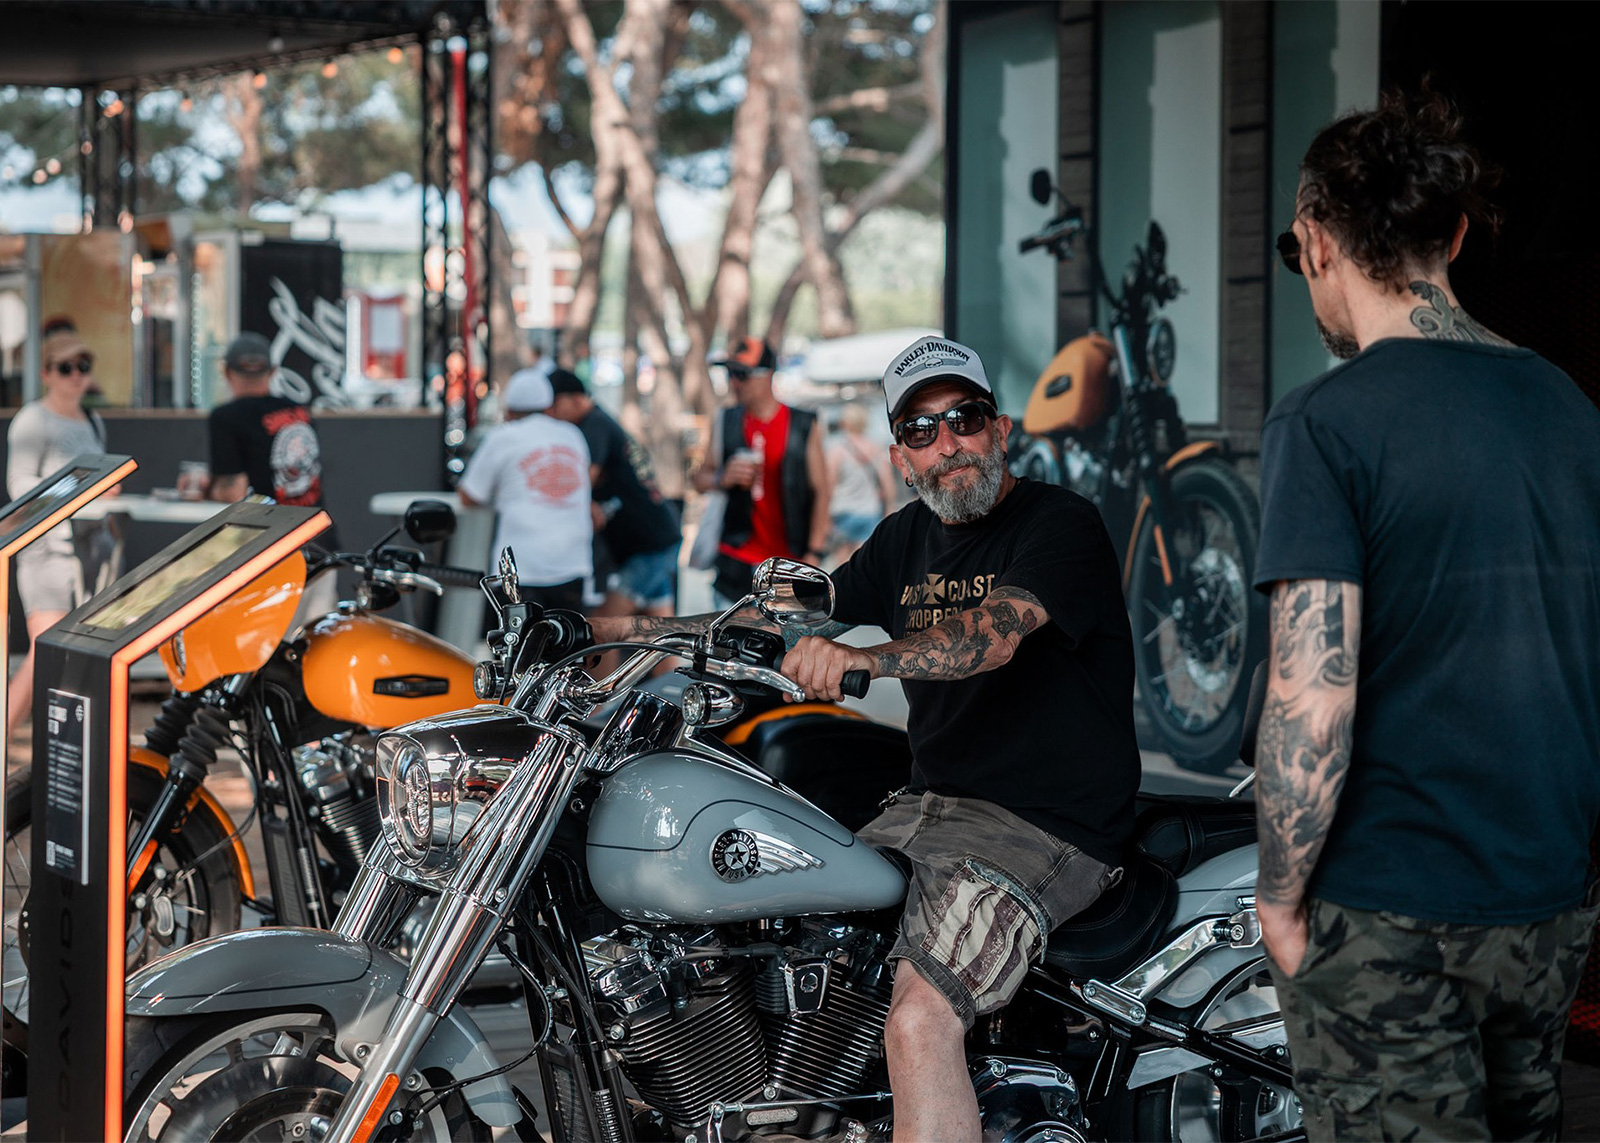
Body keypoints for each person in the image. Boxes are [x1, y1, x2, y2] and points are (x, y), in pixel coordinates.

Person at [592, 335, 1139, 1141]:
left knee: (919, 1019)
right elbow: (768, 623)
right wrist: (615, 630)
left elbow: (992, 634)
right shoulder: (903, 537)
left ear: (1002, 430)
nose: (946, 443)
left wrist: (865, 658)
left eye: (964, 418)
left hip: (1043, 825)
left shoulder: (1062, 522)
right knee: (799, 951)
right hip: (926, 808)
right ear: (900, 457)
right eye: (921, 430)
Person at [1254, 90, 1600, 1142]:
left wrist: (1279, 897)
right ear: (1450, 235)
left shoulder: (1323, 422)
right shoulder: (1568, 407)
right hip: (1546, 896)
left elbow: (1311, 695)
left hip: (1389, 903)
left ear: (1315, 241)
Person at [5, 319, 117, 745]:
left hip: (91, 550)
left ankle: (66, 749)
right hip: (47, 551)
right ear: (46, 373)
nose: (76, 375)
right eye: (66, 367)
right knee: (45, 652)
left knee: (79, 658)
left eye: (82, 365)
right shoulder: (33, 420)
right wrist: (77, 489)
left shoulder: (92, 419)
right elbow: (20, 488)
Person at [693, 336, 831, 606]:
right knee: (728, 646)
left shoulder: (802, 423)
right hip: (735, 562)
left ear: (767, 375)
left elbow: (821, 490)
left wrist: (814, 553)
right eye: (729, 374)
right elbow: (699, 479)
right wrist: (723, 478)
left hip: (786, 565)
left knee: (785, 647)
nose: (733, 382)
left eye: (741, 374)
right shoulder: (726, 419)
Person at [546, 368, 681, 617]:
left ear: (576, 399)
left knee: (603, 627)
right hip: (658, 538)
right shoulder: (598, 422)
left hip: (650, 546)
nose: (550, 413)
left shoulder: (593, 425)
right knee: (658, 633)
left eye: (554, 404)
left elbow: (582, 483)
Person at [458, 368, 593, 612]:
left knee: (516, 647)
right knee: (568, 646)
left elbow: (469, 495)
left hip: (521, 568)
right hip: (573, 564)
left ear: (508, 411)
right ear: (549, 406)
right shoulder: (573, 435)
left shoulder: (503, 437)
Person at [208, 332, 326, 508]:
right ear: (272, 371)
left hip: (271, 531)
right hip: (316, 528)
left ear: (226, 372)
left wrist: (206, 490)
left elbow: (233, 493)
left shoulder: (226, 417)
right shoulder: (299, 412)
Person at [825, 402, 896, 564]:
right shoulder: (876, 449)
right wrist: (889, 510)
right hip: (870, 512)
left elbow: (828, 486)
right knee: (865, 565)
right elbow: (888, 485)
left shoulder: (837, 451)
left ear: (845, 423)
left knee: (842, 566)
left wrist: (824, 518)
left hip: (842, 513)